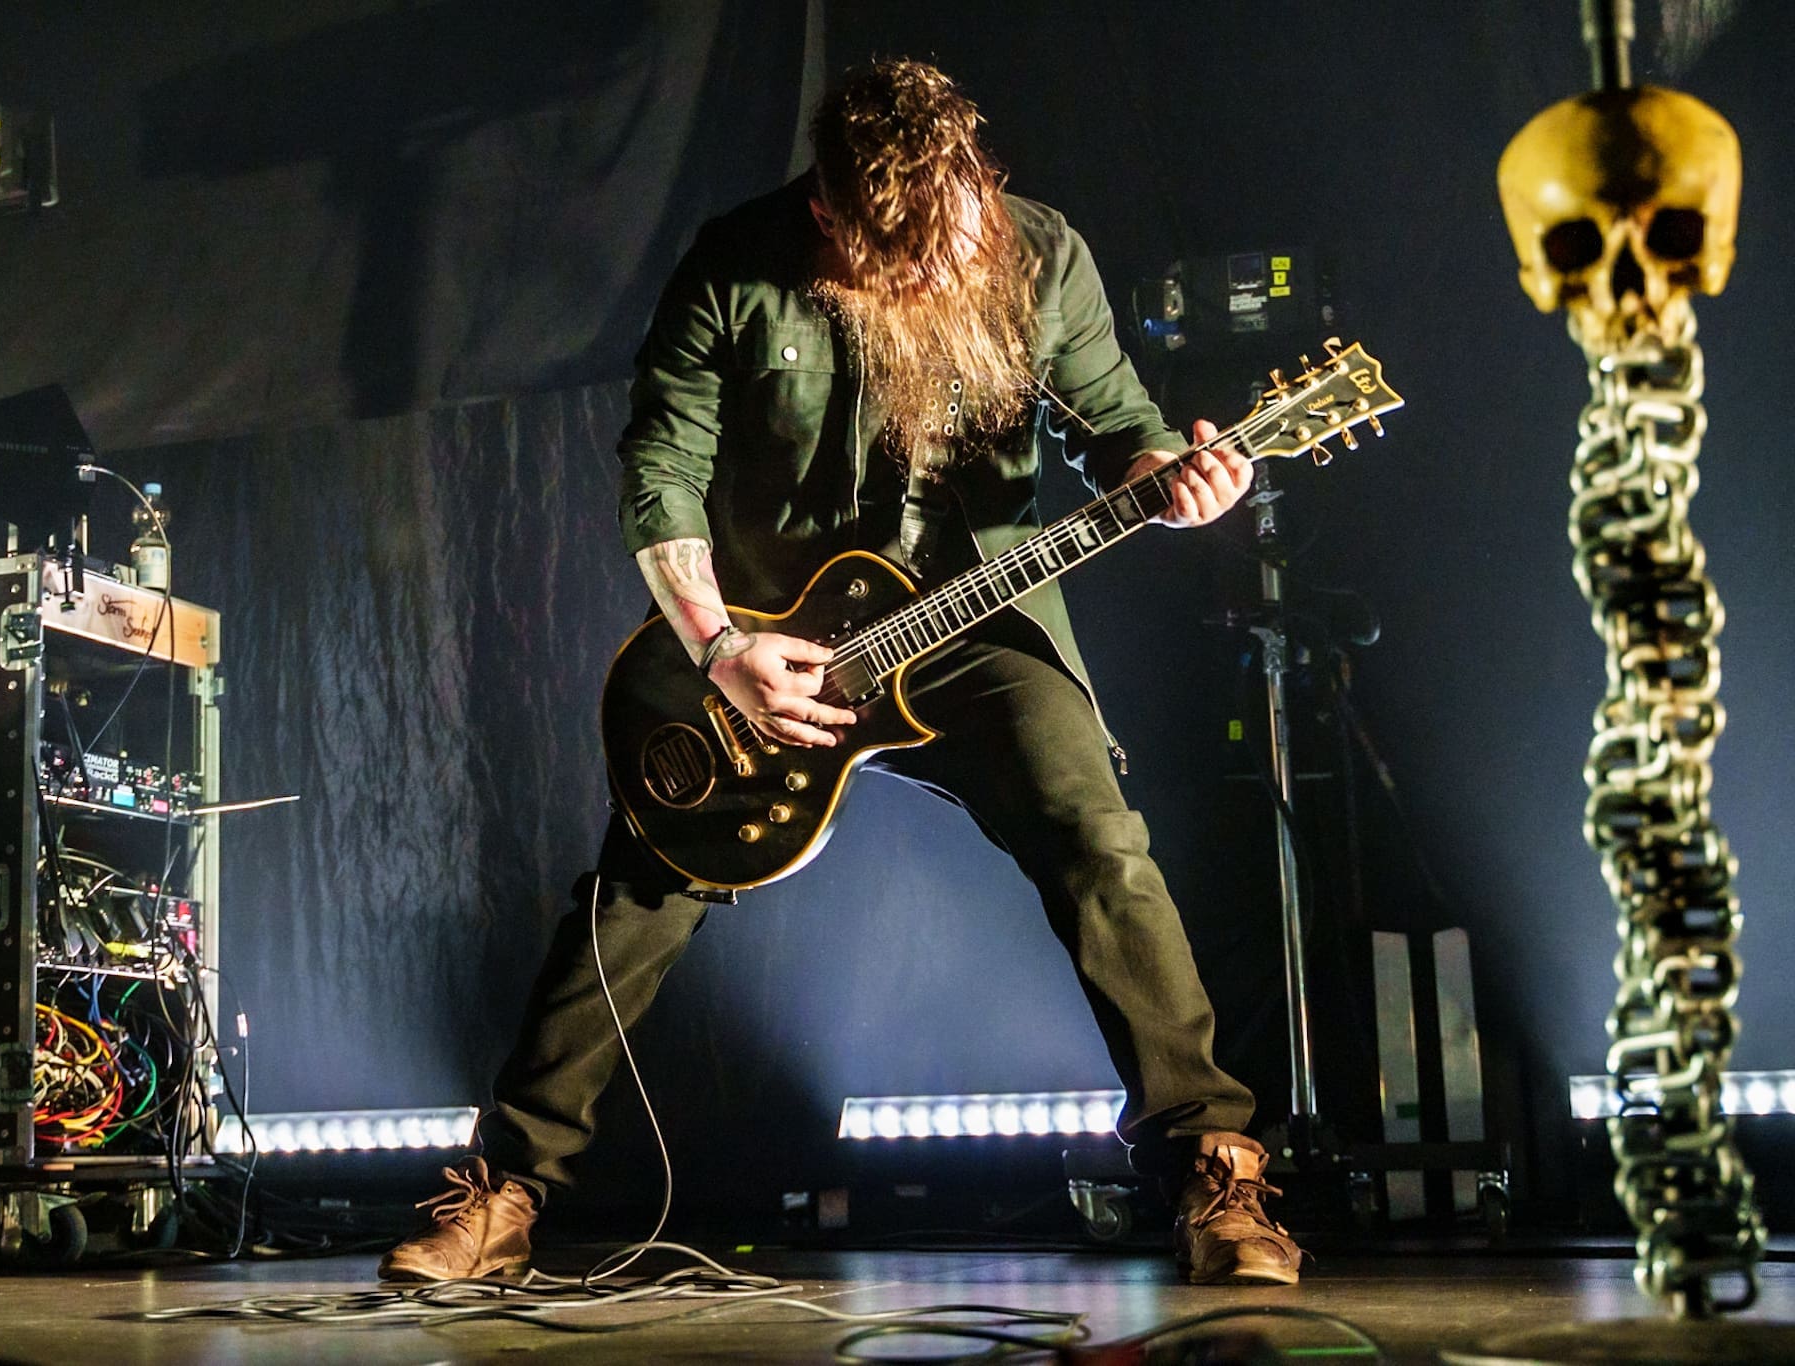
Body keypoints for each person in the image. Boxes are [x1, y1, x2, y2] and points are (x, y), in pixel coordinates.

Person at [379, 59, 1302, 1287]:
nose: (935, 275)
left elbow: (1118, 428)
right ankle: (503, 1193)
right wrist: (718, 648)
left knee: (1097, 837)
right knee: (640, 887)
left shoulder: (1037, 252)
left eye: (954, 242)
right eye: (901, 260)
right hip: (773, 643)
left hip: (976, 625)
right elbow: (661, 467)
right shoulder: (735, 265)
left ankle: (1213, 1170)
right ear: (828, 214)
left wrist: (1171, 484)